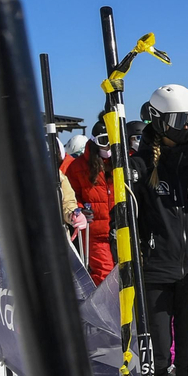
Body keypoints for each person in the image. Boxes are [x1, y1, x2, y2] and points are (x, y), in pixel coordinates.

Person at [130, 84, 188, 376]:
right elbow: (124, 216)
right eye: (178, 120)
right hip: (156, 269)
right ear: (159, 121)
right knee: (157, 354)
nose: (186, 127)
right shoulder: (140, 165)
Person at [63, 120, 117, 286]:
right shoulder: (79, 167)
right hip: (96, 233)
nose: (107, 147)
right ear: (93, 141)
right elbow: (73, 194)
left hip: (120, 230)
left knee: (124, 276)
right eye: (102, 141)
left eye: (111, 141)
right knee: (105, 276)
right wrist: (79, 210)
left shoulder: (122, 163)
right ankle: (103, 311)